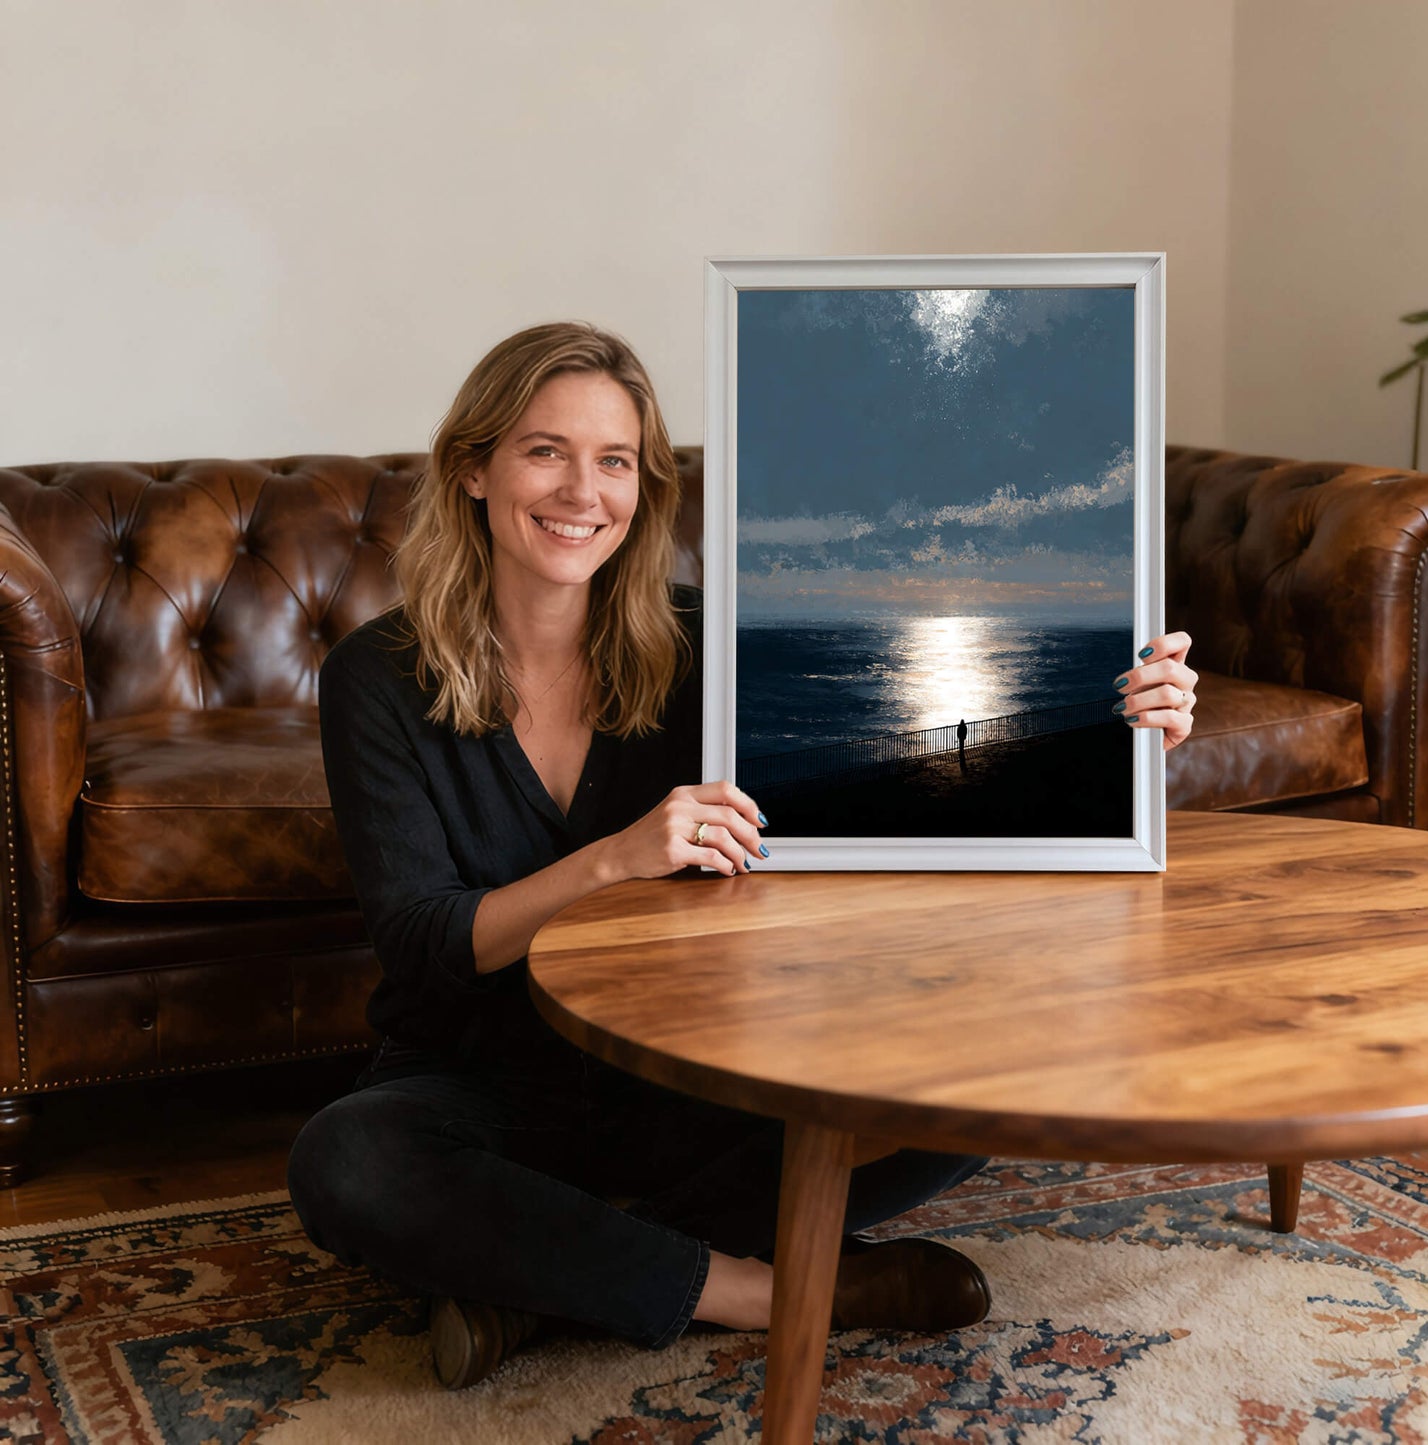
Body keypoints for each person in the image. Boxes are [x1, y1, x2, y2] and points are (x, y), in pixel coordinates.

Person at [287, 321, 1199, 1390]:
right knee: (345, 1162)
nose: (582, 489)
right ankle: (784, 1290)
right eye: (545, 450)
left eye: (615, 460)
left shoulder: (707, 642)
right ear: (472, 468)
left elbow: (923, 754)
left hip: (683, 1070)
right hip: (480, 1081)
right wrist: (611, 860)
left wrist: (1119, 722)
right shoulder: (375, 674)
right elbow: (422, 939)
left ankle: (538, 1277)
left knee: (989, 1074)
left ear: (643, 487)